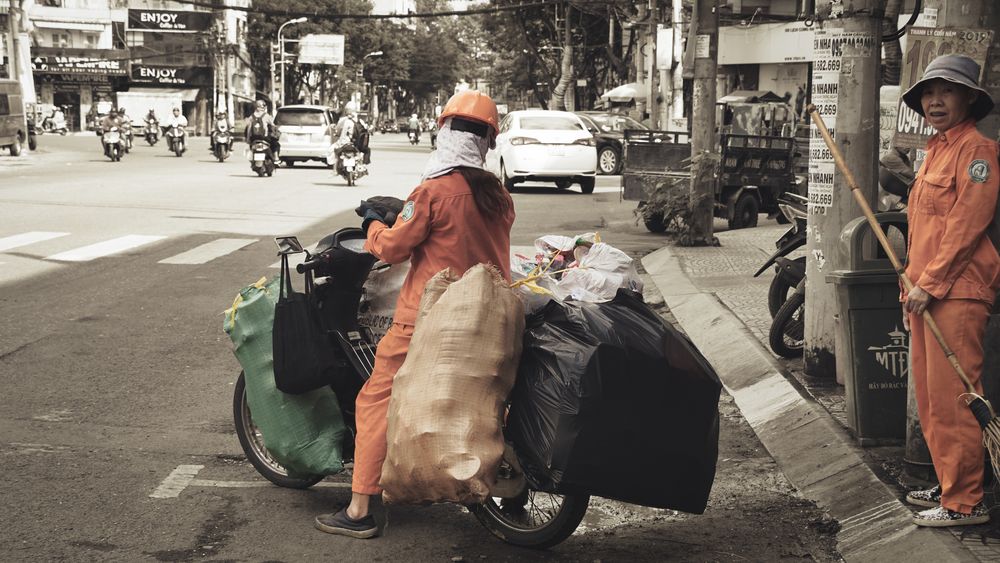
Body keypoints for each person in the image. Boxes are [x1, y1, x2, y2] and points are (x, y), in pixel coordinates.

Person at [314, 90, 514, 539]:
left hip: (428, 320)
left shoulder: (433, 190)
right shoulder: (498, 195)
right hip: (488, 320)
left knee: (375, 402)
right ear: (487, 141)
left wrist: (373, 221)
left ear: (443, 133)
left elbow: (392, 247)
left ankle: (360, 509)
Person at [899, 54, 1000, 528]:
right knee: (932, 399)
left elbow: (965, 226)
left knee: (957, 400)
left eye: (947, 91)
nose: (934, 100)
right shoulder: (936, 149)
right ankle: (949, 483)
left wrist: (931, 283)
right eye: (928, 93)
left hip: (956, 293)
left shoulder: (977, 150)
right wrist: (911, 287)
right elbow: (923, 229)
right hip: (924, 293)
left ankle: (966, 502)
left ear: (969, 99)